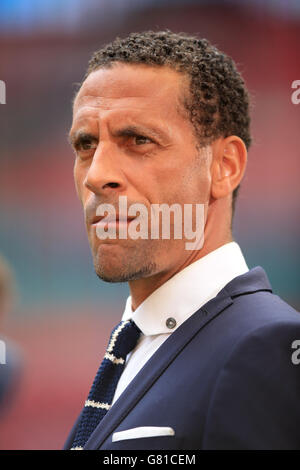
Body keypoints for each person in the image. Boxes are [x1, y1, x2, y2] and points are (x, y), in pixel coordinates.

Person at [63, 30, 300, 450]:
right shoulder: (136, 343)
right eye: (86, 144)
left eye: (138, 140)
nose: (97, 175)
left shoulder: (269, 347)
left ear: (224, 166)